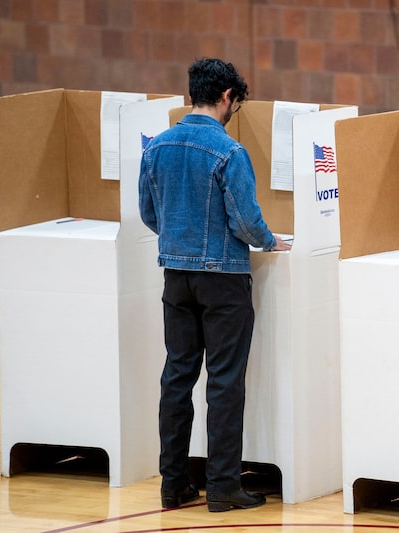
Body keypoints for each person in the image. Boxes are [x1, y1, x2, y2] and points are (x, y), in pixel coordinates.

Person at [138, 57, 291, 513]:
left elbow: (150, 214)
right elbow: (244, 219)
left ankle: (174, 485)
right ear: (227, 97)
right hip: (223, 280)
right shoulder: (229, 152)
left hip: (176, 278)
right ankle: (223, 487)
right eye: (236, 104)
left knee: (177, 378)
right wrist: (269, 241)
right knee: (224, 382)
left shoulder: (156, 148)